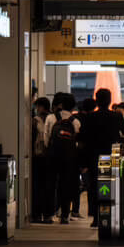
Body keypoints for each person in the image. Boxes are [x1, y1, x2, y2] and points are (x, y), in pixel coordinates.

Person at [80, 89, 124, 227]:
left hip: (93, 156)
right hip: (111, 155)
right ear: (109, 99)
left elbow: (83, 138)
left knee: (94, 187)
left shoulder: (90, 117)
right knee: (110, 185)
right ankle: (108, 215)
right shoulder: (116, 116)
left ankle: (95, 217)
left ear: (96, 100)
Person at [49, 93, 82, 224]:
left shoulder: (51, 118)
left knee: (52, 184)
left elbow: (46, 140)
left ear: (60, 105)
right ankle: (65, 214)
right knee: (66, 185)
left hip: (53, 156)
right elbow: (78, 142)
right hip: (69, 158)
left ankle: (50, 212)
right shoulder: (76, 121)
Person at [31, 97, 54, 223]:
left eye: (37, 106)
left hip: (38, 157)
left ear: (40, 107)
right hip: (51, 158)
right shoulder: (54, 119)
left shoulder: (35, 121)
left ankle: (36, 214)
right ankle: (48, 215)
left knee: (37, 187)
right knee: (49, 187)